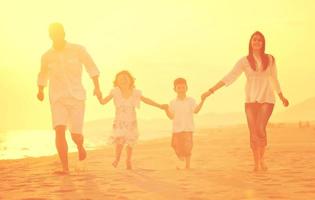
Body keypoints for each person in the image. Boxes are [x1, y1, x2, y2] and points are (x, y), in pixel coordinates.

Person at [202, 31, 289, 172]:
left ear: (263, 43)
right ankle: (257, 162)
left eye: (260, 40)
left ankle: (262, 159)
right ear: (250, 42)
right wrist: (211, 90)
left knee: (260, 128)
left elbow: (274, 78)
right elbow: (230, 76)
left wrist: (281, 96)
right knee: (253, 131)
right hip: (250, 100)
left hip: (267, 98)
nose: (257, 42)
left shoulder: (270, 59)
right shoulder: (244, 61)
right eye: (254, 40)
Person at [37, 22, 102, 175]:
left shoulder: (78, 50)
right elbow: (42, 74)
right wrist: (40, 89)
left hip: (77, 97)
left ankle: (80, 146)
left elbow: (91, 66)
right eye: (53, 34)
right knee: (59, 130)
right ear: (50, 36)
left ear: (64, 34)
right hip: (57, 97)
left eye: (59, 33)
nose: (56, 36)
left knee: (75, 135)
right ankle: (65, 168)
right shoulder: (46, 56)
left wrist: (97, 87)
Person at [97, 70, 166, 170]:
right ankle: (117, 158)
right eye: (120, 79)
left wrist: (159, 106)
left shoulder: (135, 92)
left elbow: (146, 100)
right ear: (116, 82)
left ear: (130, 80)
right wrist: (99, 96)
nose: (123, 80)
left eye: (125, 78)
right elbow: (103, 102)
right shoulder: (115, 91)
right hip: (119, 122)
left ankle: (128, 160)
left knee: (130, 142)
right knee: (119, 141)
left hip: (131, 121)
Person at [164, 78, 206, 169]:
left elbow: (196, 110)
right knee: (174, 145)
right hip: (176, 129)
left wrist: (203, 100)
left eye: (183, 87)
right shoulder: (172, 102)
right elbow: (171, 116)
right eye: (179, 88)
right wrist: (166, 110)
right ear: (174, 89)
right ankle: (180, 156)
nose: (181, 90)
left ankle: (187, 166)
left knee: (188, 148)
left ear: (187, 88)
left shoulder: (191, 100)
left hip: (188, 128)